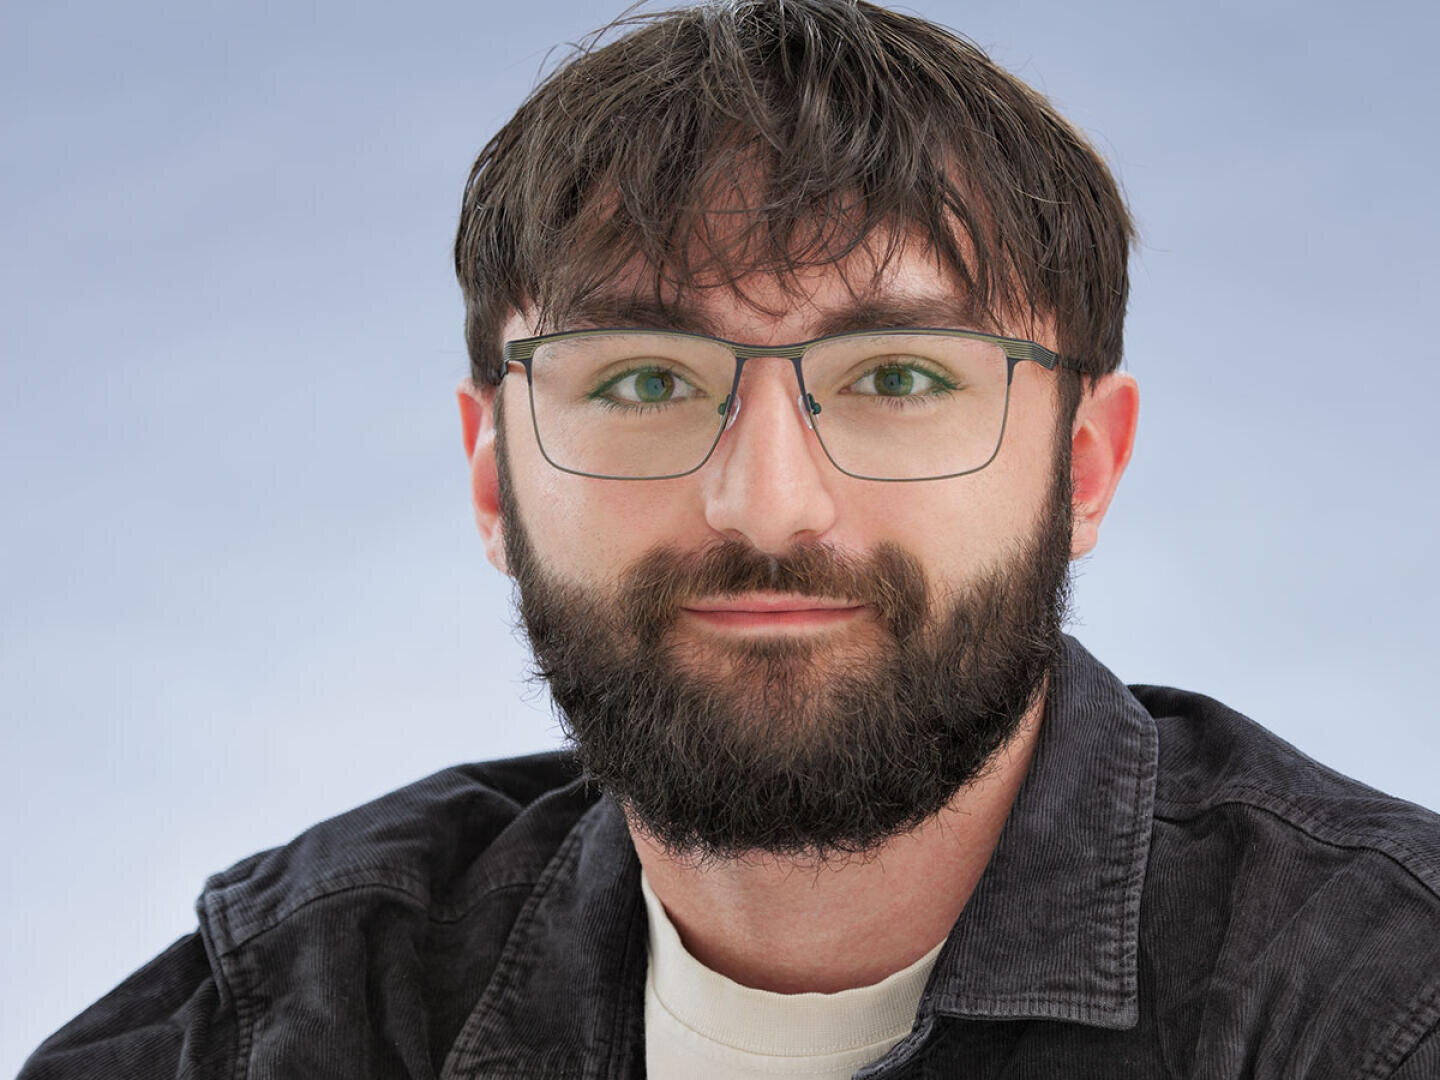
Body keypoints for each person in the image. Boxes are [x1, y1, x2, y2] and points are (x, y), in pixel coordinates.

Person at [20, 1, 1440, 1077]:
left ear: (1081, 467)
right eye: (646, 380)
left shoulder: (1381, 1003)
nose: (767, 506)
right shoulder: (301, 1012)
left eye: (899, 376)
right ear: (494, 475)